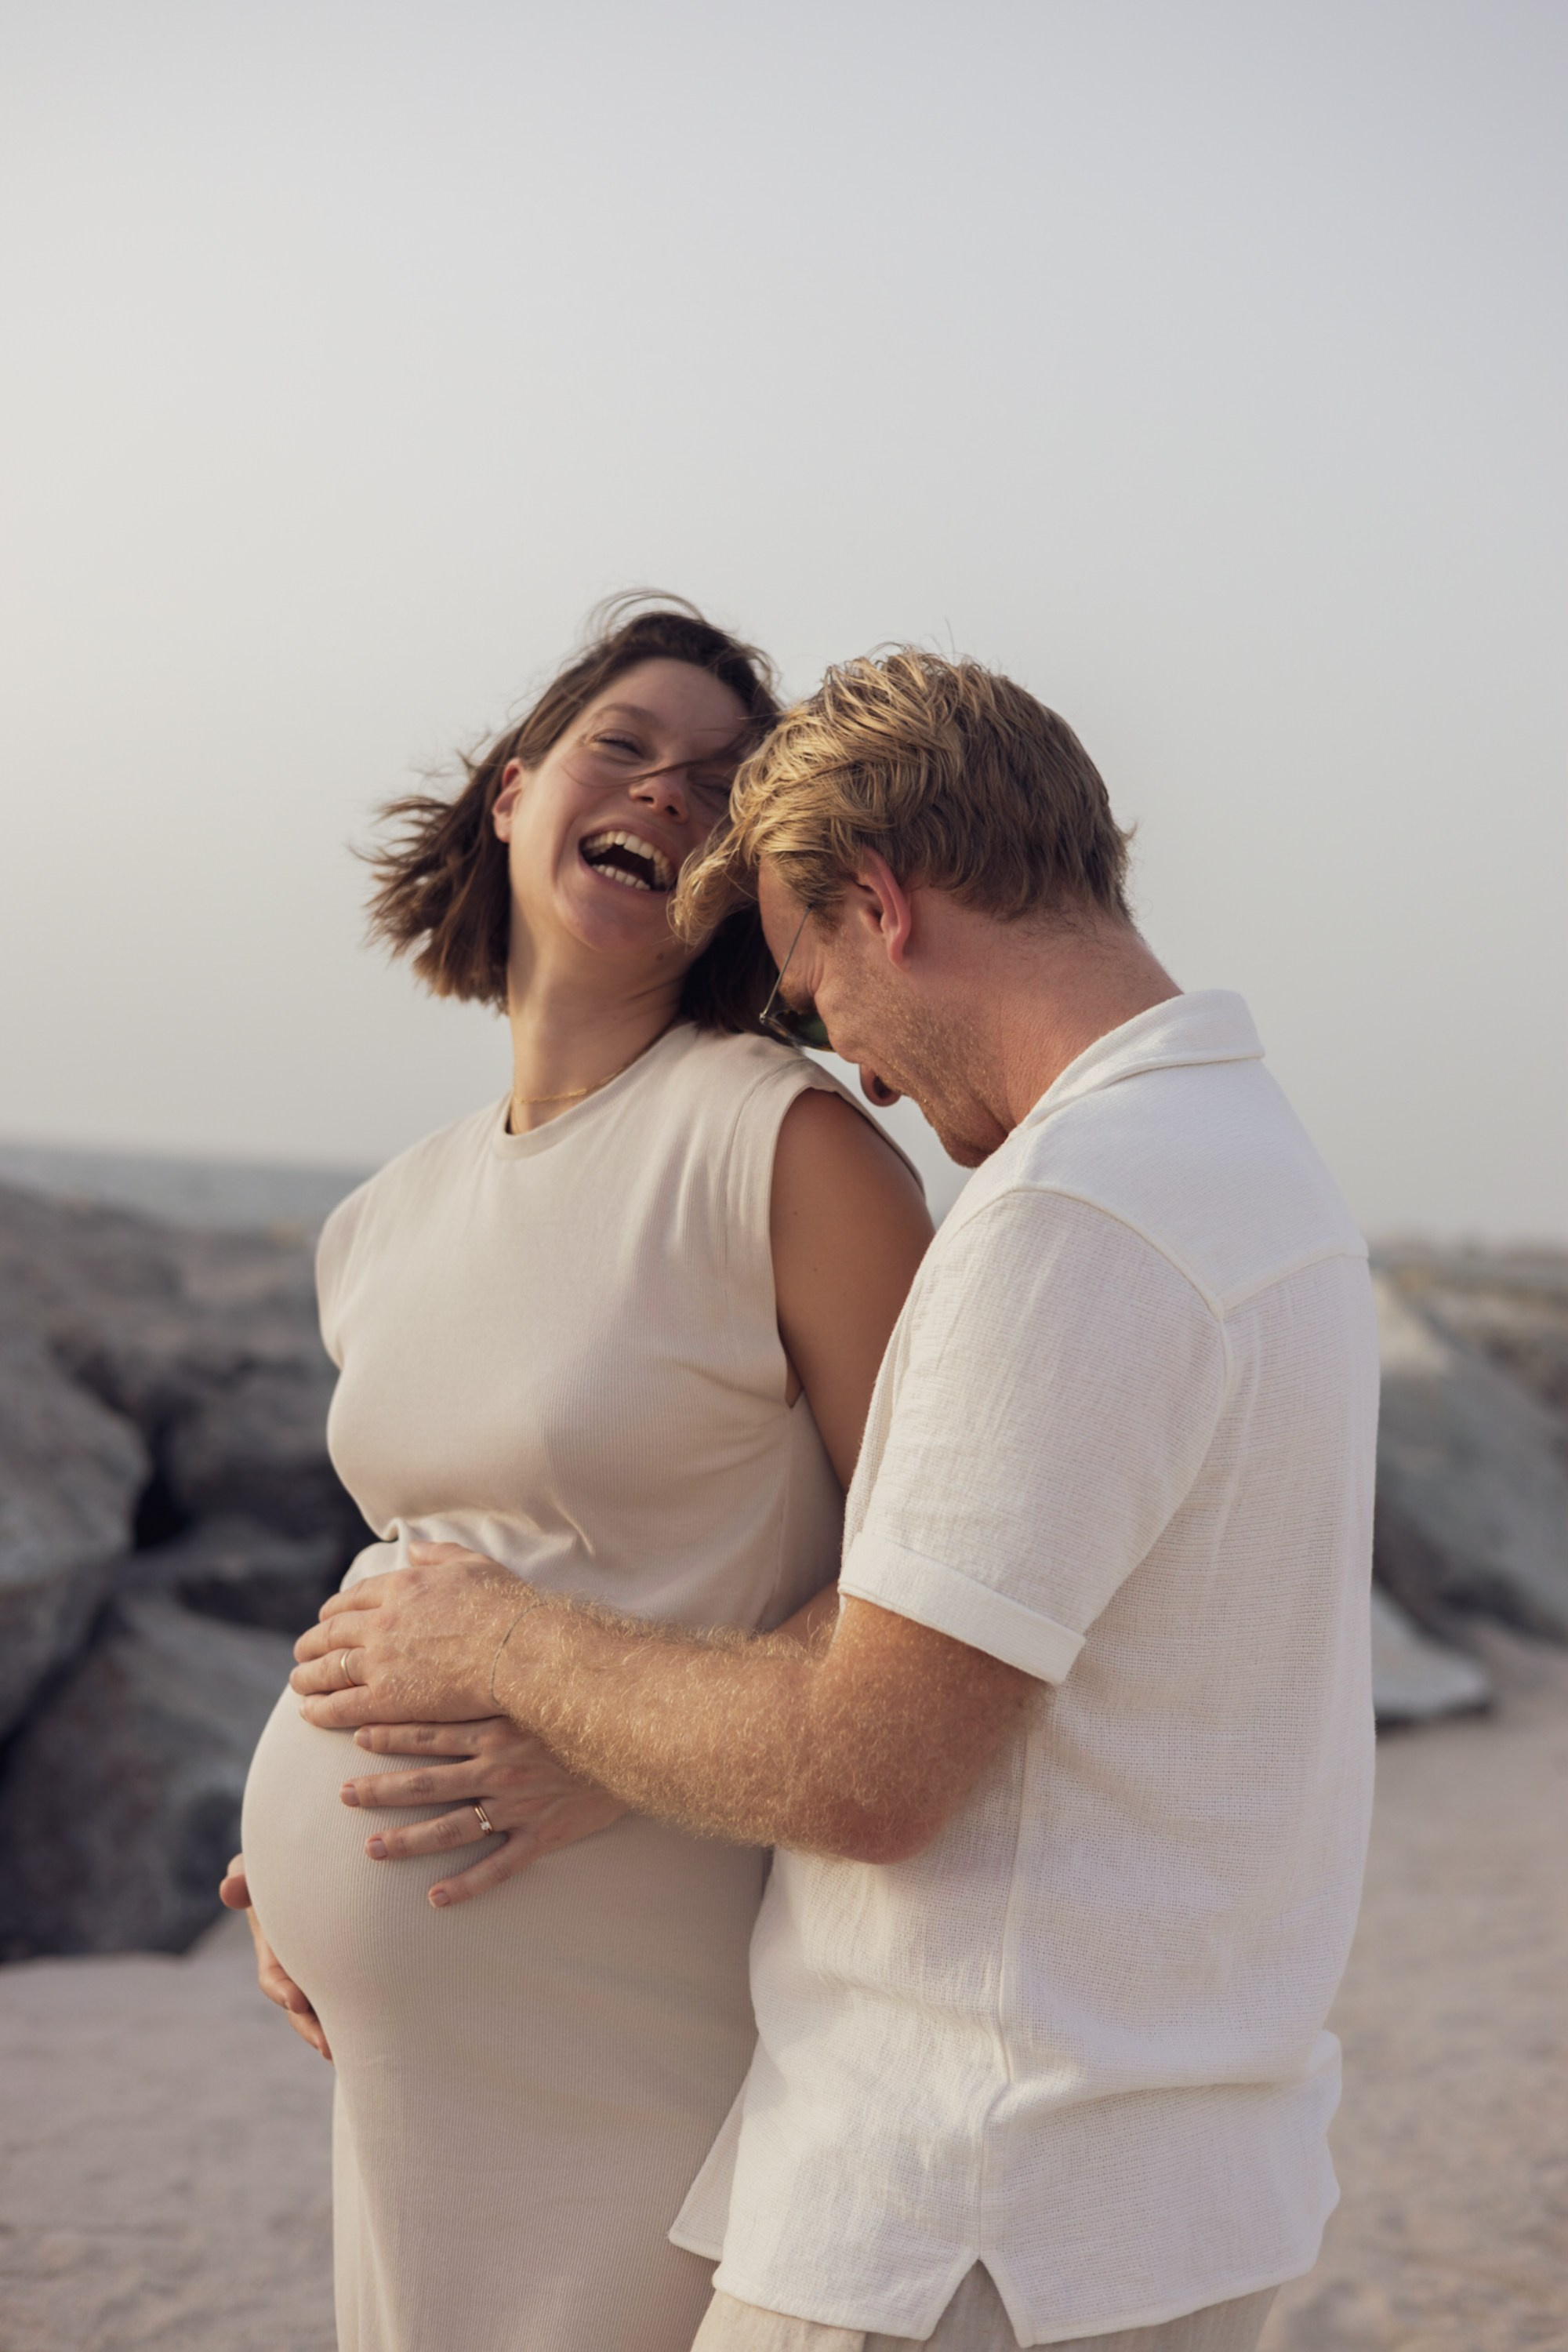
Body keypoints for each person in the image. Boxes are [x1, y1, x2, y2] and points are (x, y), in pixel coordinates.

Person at [294, 649, 1380, 2352]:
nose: (858, 1071)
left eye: (816, 993)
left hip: (962, 2208)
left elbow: (865, 1765)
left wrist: (494, 1639)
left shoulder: (1069, 1222)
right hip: (1099, 2191)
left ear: (877, 903)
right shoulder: (1249, 1171)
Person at [229, 601, 933, 2352]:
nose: (669, 794)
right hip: (399, 2049)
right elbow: (432, 1548)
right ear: (515, 786)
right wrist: (290, 1848)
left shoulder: (785, 1148)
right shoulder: (379, 1220)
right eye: (628, 744)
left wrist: (629, 1747)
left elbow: (947, 1573)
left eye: (722, 785)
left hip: (634, 2012)